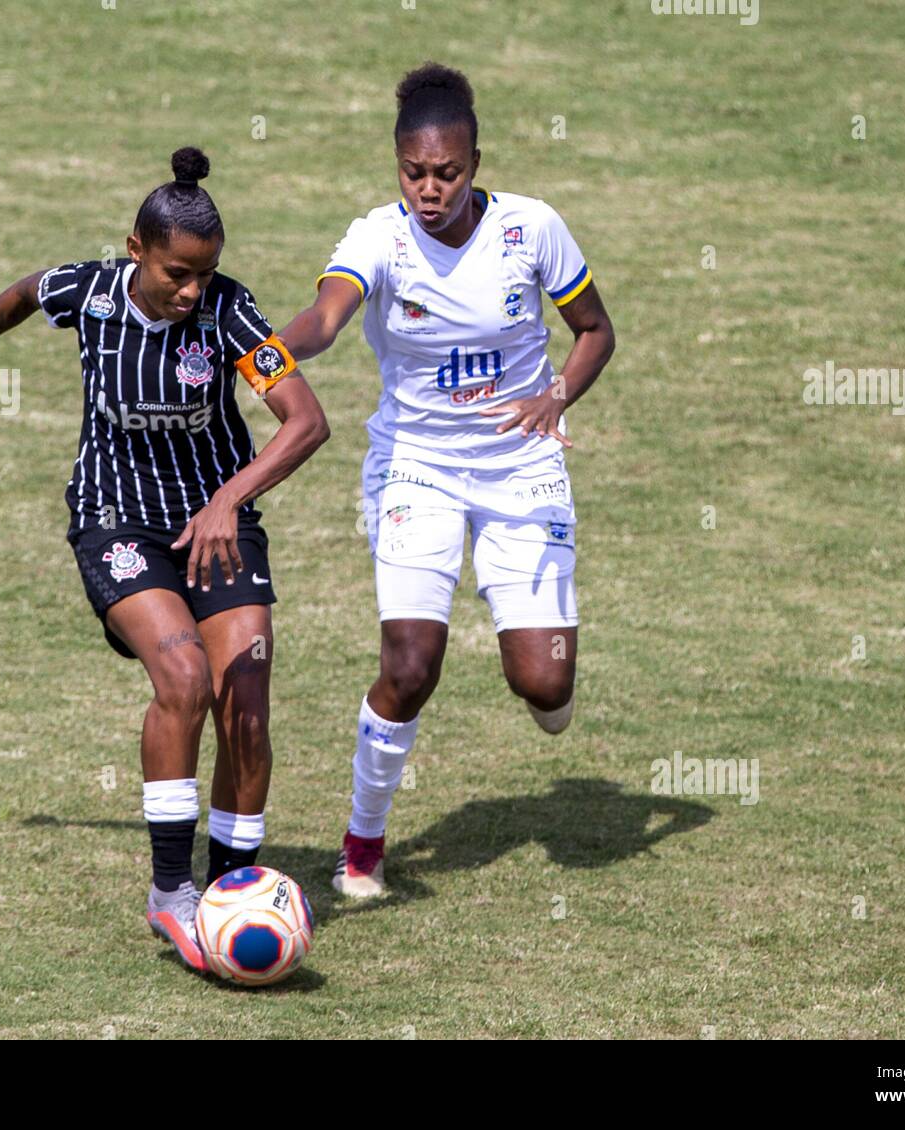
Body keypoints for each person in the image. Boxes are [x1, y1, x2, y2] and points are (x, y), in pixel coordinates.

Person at [0, 147, 328, 969]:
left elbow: (305, 422)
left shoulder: (230, 314)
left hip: (217, 521)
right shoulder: (93, 294)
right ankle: (171, 893)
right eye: (178, 273)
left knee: (245, 690)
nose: (191, 291)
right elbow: (27, 292)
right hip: (115, 522)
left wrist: (226, 501)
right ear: (137, 250)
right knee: (182, 681)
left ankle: (231, 889)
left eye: (204, 275)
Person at [277, 64, 616, 898]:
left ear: (475, 162)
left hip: (521, 464)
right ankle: (363, 843)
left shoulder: (531, 230)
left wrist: (557, 393)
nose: (430, 191)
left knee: (544, 681)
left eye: (448, 173)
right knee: (410, 662)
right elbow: (324, 319)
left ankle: (546, 677)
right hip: (416, 469)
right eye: (414, 173)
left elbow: (595, 331)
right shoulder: (378, 239)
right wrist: (268, 350)